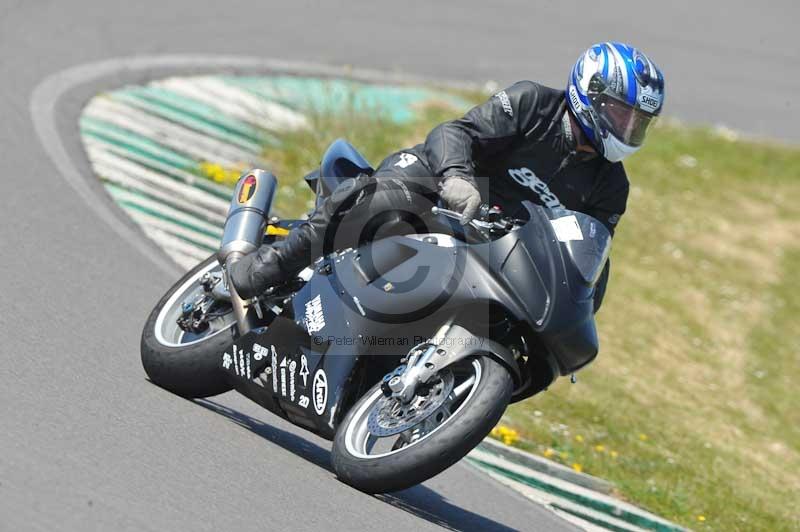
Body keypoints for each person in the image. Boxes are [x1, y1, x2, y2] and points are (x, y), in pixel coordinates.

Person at [230, 42, 665, 311]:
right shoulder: (533, 103)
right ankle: (267, 267)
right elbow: (456, 132)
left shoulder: (611, 187)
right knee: (378, 202)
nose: (627, 129)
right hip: (438, 184)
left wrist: (580, 301)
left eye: (637, 122)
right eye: (620, 114)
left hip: (493, 243)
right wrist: (458, 177)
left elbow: (589, 252)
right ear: (587, 90)